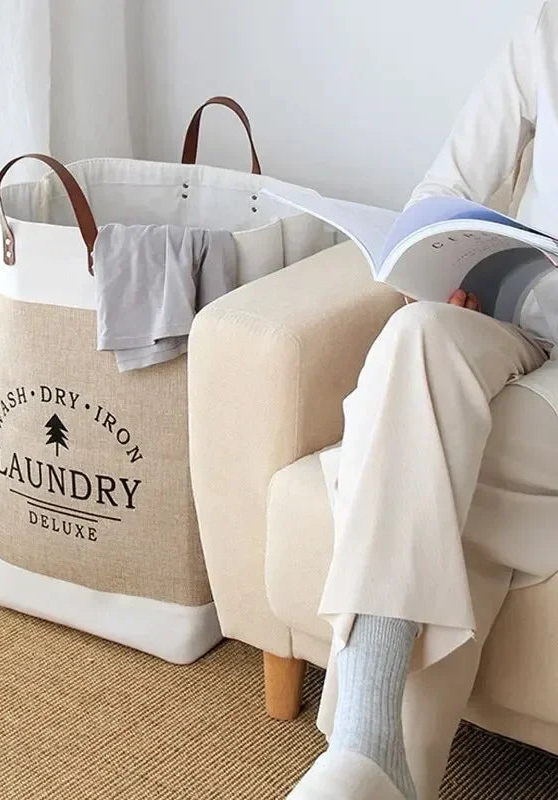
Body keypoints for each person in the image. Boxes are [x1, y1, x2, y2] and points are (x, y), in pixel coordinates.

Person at [290, 4, 558, 799]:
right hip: (526, 318)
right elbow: (442, 189)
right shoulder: (546, 32)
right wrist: (464, 262)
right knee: (416, 344)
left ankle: (368, 764)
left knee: (420, 441)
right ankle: (373, 751)